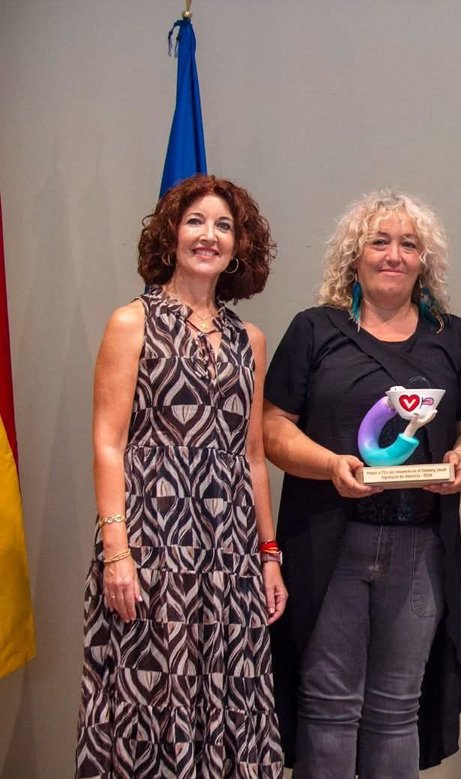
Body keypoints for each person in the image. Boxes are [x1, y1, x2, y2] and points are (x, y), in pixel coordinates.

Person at [263, 190, 461, 778]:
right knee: (330, 705)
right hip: (329, 541)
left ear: (424, 261)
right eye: (379, 241)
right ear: (353, 256)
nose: (394, 254)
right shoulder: (316, 330)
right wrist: (329, 464)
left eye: (408, 244)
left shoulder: (452, 335)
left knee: (396, 708)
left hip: (419, 543)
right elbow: (272, 428)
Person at [77, 174, 284, 777]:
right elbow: (108, 444)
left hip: (230, 548)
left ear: (239, 246)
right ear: (171, 235)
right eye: (196, 221)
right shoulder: (130, 323)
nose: (209, 236)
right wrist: (117, 551)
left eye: (223, 225)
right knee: (152, 703)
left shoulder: (251, 340)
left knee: (232, 702)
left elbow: (252, 457)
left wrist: (268, 554)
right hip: (151, 542)